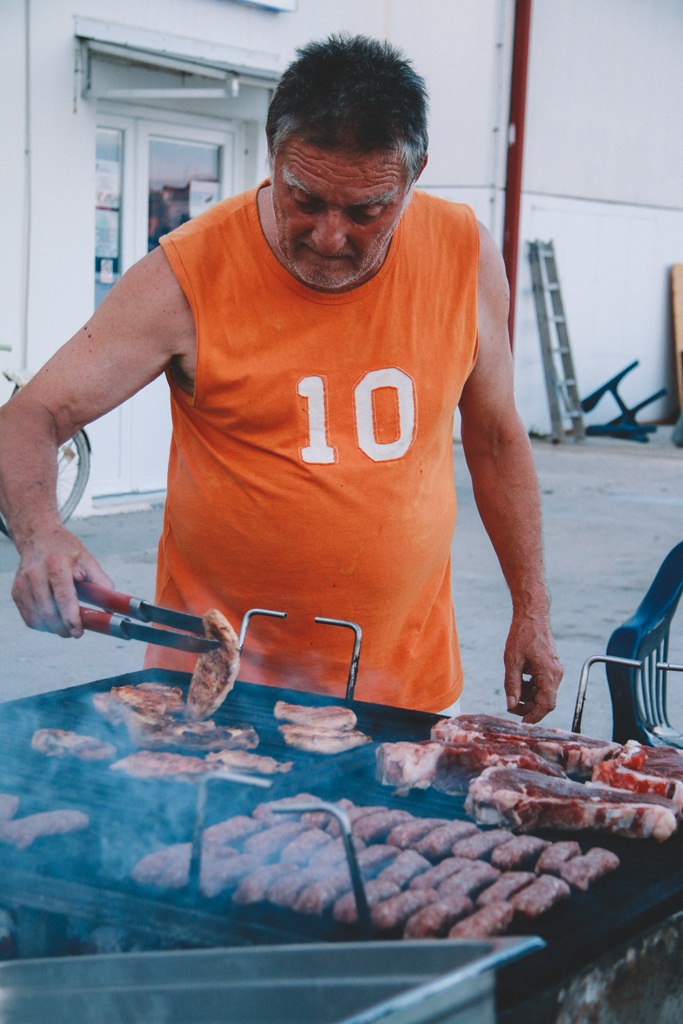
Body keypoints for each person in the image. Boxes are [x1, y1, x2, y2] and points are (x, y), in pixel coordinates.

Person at [0, 34, 562, 722]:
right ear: (271, 150)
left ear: (414, 176)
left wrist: (530, 608)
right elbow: (30, 416)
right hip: (214, 694)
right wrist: (40, 535)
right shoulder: (188, 273)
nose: (329, 236)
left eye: (367, 210)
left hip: (402, 690)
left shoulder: (463, 253)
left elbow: (498, 440)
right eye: (304, 198)